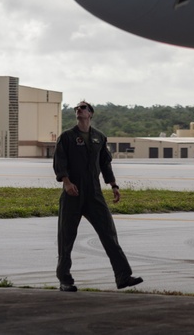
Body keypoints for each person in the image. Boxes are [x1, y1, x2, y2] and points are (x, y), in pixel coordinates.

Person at [53, 101, 143, 292]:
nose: (79, 110)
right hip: (72, 194)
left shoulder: (99, 138)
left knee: (109, 234)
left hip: (94, 193)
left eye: (83, 107)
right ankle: (65, 280)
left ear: (90, 114)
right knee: (66, 238)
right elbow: (60, 163)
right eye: (77, 108)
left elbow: (105, 164)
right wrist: (67, 183)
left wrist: (113, 185)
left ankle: (123, 276)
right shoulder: (67, 137)